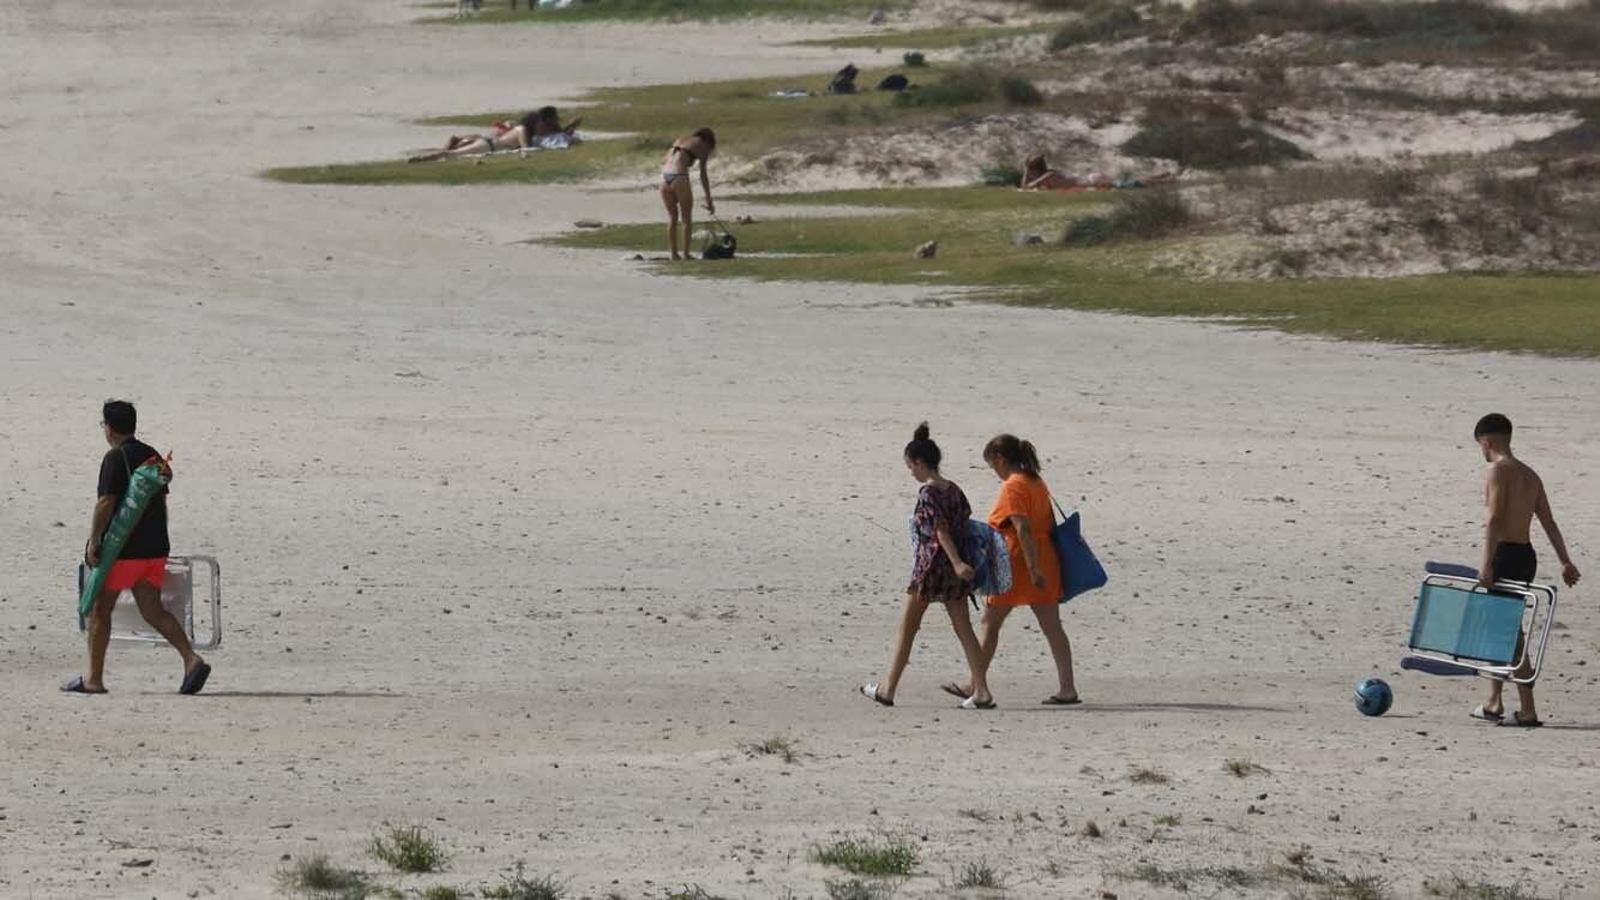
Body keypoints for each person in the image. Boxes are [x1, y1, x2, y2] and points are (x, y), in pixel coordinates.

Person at [63, 401, 211, 696]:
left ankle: (93, 679)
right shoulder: (152, 455)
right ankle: (192, 660)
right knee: (153, 610)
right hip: (155, 549)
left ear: (109, 428)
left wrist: (94, 541)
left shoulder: (115, 458)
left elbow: (106, 503)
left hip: (124, 552)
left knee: (99, 610)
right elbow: (161, 502)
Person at [861, 424, 994, 709]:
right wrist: (960, 563)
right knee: (964, 629)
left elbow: (940, 531)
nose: (911, 472)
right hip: (954, 571)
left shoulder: (928, 493)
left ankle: (887, 689)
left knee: (907, 628)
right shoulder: (955, 490)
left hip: (931, 570)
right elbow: (965, 525)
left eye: (911, 466)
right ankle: (981, 690)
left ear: (920, 463)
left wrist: (957, 563)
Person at [946, 434, 1079, 706]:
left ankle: (974, 682)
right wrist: (1040, 568)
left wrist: (1032, 568)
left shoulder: (1014, 485)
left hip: (1016, 564)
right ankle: (1068, 688)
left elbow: (1022, 528)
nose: (993, 471)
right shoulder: (1036, 481)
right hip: (1046, 560)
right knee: (1052, 626)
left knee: (990, 623)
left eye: (992, 465)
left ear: (1000, 459)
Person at [1468, 413, 1580, 728]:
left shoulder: (1496, 470)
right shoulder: (1531, 476)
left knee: (1507, 634)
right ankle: (1494, 701)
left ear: (1487, 442)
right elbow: (1549, 522)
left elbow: (1492, 519)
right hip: (1525, 555)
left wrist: (1486, 563)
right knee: (1501, 630)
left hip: (1503, 554)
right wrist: (1564, 561)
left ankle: (1527, 708)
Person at [408, 106, 582, 162]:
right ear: (539, 123)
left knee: (453, 153)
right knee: (452, 155)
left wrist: (569, 128)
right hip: (487, 146)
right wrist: (525, 153)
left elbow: (551, 133)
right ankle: (424, 159)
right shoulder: (522, 129)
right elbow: (526, 147)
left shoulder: (526, 129)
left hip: (489, 144)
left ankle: (427, 155)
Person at [660, 127, 716, 261]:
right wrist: (709, 201)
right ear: (708, 141)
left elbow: (664, 160)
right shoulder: (703, 146)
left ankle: (673, 254)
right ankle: (686, 254)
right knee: (686, 219)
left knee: (672, 218)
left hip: (663, 178)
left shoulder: (680, 139)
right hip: (679, 177)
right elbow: (703, 175)